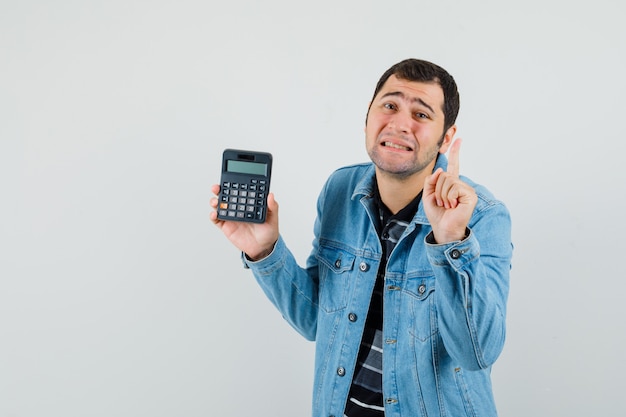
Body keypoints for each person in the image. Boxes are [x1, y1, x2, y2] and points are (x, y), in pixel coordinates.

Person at [210, 58, 513, 417]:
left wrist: (450, 240)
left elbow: (476, 353)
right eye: (389, 105)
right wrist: (264, 251)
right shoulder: (341, 190)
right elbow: (316, 321)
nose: (400, 123)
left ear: (446, 137)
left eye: (421, 115)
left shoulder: (481, 215)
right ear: (368, 116)